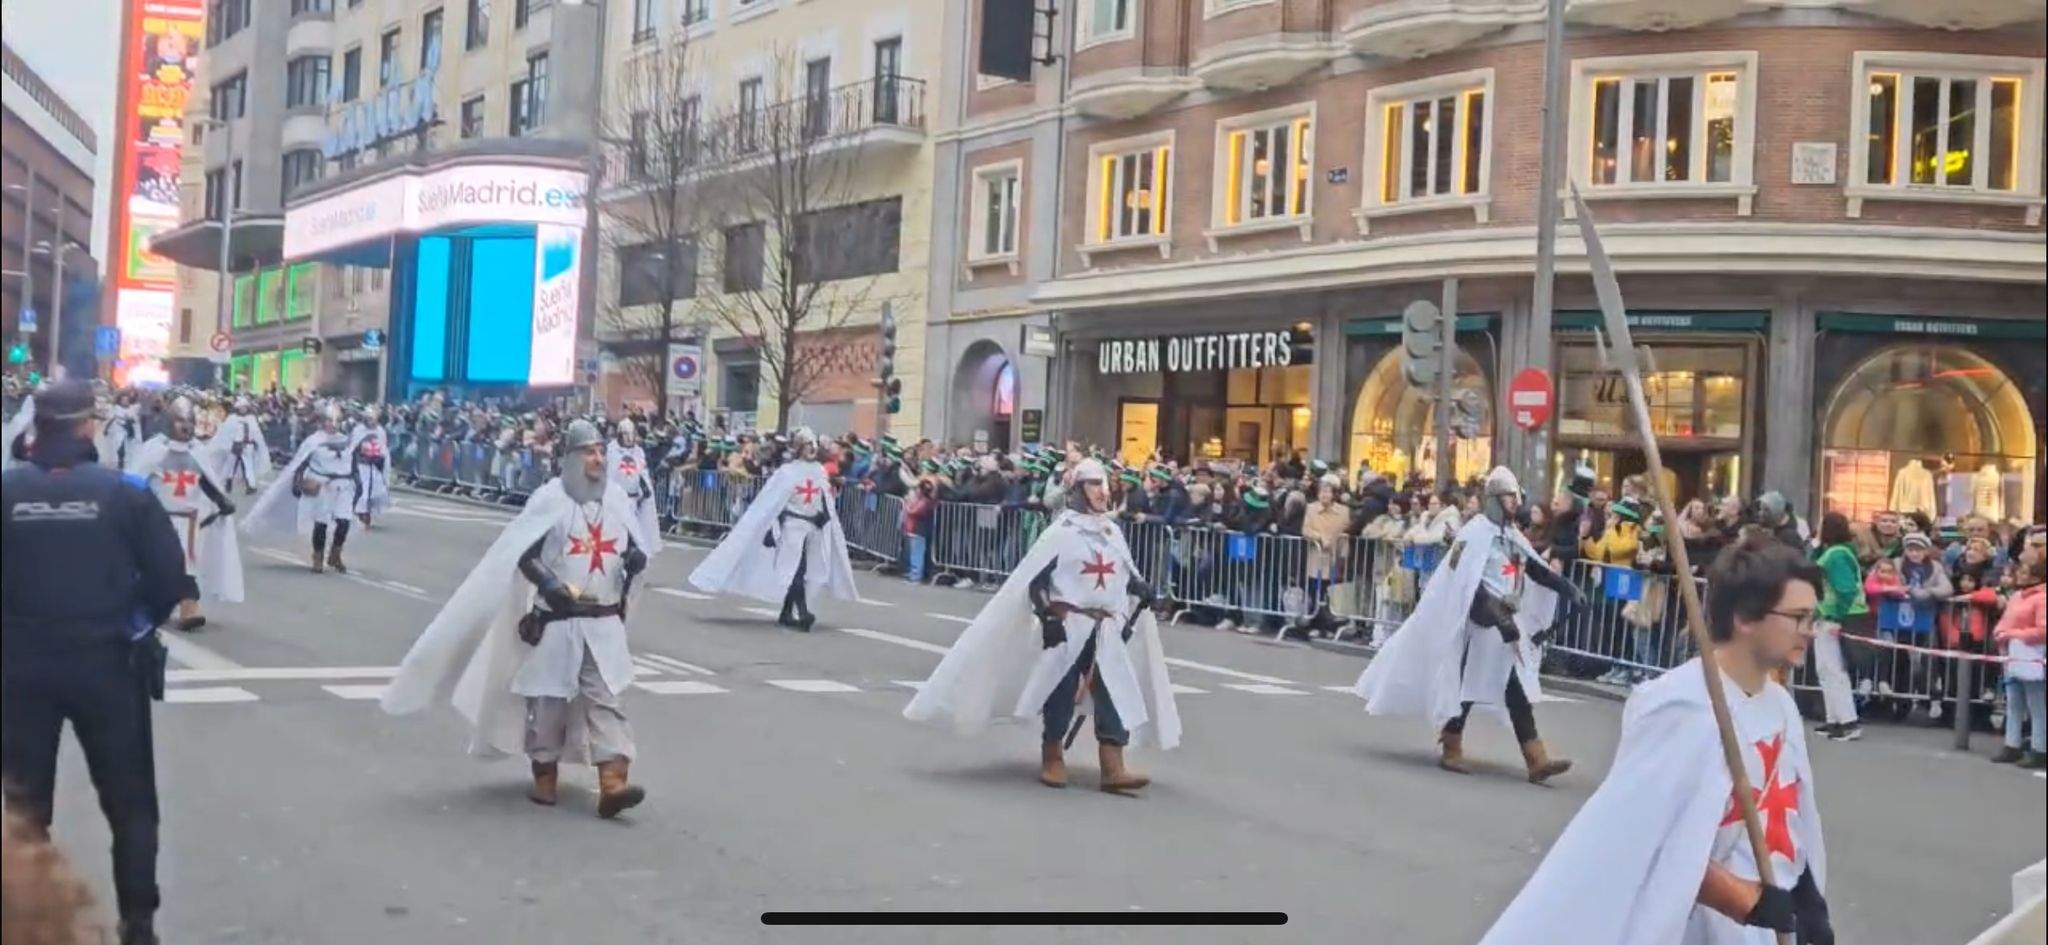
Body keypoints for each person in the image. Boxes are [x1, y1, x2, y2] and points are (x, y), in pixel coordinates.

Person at [1478, 535, 1834, 945]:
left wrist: (1808, 901)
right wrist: (1739, 896)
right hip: (1697, 927)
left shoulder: (1780, 704)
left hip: (1769, 928)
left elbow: (1791, 818)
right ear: (1746, 617)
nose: (1810, 631)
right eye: (1799, 617)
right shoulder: (1681, 705)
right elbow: (1638, 835)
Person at [380, 420, 655, 818]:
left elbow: (633, 546)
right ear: (570, 458)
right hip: (558, 620)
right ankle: (545, 776)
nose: (597, 459)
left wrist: (635, 558)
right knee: (548, 701)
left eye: (600, 451)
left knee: (606, 697)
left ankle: (613, 783)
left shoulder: (616, 499)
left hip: (602, 618)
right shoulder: (550, 499)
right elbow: (525, 555)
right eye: (588, 452)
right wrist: (548, 584)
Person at [2, 380, 188, 945]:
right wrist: (132, 626)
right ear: (87, 427)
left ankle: (26, 921)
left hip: (20, 668)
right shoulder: (125, 493)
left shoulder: (5, 492)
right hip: (108, 664)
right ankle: (138, 923)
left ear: (38, 427)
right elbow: (169, 580)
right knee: (131, 803)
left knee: (24, 806)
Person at [905, 457, 1179, 794]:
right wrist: (1048, 616)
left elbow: (1125, 572)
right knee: (1060, 690)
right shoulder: (1061, 532)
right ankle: (1053, 755)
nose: (1100, 492)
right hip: (1070, 622)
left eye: (1102, 484)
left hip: (1105, 627)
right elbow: (1035, 581)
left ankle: (1113, 765)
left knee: (1113, 690)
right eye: (1093, 485)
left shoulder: (1111, 532)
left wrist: (1140, 587)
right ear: (1076, 489)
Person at [1355, 467, 1587, 783]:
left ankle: (1537, 759)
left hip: (1504, 621)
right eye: (1508, 497)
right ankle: (1452, 744)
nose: (1513, 503)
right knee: (1463, 685)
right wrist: (1496, 616)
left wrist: (1567, 588)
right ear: (1493, 499)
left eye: (1514, 497)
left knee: (1513, 689)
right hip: (1475, 624)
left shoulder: (1513, 536)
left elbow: (1534, 569)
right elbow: (1465, 585)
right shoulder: (1473, 535)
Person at [689, 427, 859, 630]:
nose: (811, 449)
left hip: (813, 526)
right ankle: (803, 613)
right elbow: (771, 503)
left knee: (803, 570)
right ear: (798, 448)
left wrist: (824, 517)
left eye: (812, 444)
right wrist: (770, 526)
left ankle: (787, 613)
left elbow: (824, 498)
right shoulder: (787, 472)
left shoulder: (818, 471)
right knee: (795, 570)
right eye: (806, 445)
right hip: (792, 526)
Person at [127, 396, 244, 632]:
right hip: (160, 519)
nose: (186, 426)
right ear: (170, 422)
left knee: (187, 564)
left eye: (190, 421)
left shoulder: (197, 452)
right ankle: (149, 603)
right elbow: (134, 482)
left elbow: (206, 482)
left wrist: (221, 501)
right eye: (181, 420)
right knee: (158, 565)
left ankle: (190, 607)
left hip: (190, 520)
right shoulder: (154, 450)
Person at [243, 404, 359, 573]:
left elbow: (353, 463)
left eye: (336, 421)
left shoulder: (346, 441)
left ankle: (335, 553)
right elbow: (300, 463)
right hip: (322, 484)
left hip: (343, 485)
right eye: (328, 420)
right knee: (322, 523)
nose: (332, 424)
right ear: (322, 422)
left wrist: (358, 483)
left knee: (344, 521)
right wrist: (297, 481)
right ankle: (318, 557)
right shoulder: (314, 441)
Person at [1810, 512, 1866, 742]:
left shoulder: (1836, 555)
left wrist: (1837, 617)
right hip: (1828, 614)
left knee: (1833, 669)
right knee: (1826, 668)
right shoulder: (1835, 552)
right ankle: (1834, 719)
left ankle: (1848, 721)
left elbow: (1845, 589)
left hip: (1835, 615)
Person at [1990, 557, 2046, 768]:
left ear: (2037, 576)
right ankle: (2011, 744)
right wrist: (1999, 633)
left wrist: (2012, 634)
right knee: (2013, 701)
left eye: (2023, 573)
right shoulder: (2016, 596)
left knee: (2036, 704)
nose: (2018, 576)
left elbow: (2043, 631)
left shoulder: (2042, 598)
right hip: (2013, 652)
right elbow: (2005, 620)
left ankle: (2040, 748)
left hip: (2033, 654)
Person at [605, 418, 663, 551]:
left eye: (631, 434)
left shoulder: (638, 452)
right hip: (615, 500)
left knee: (633, 532)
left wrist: (645, 488)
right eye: (625, 434)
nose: (629, 438)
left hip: (633, 499)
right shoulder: (611, 451)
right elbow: (609, 473)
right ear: (620, 434)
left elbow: (642, 472)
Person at [209, 396, 271, 494]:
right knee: (230, 464)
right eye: (241, 407)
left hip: (247, 445)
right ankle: (227, 482)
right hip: (235, 445)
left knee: (248, 465)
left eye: (244, 407)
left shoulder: (251, 419)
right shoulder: (232, 418)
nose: (243, 409)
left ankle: (251, 485)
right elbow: (225, 432)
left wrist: (258, 443)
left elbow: (256, 433)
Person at [349, 406, 392, 527]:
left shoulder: (380, 431)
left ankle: (368, 512)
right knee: (362, 489)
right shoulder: (358, 430)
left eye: (373, 419)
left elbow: (383, 447)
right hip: (361, 465)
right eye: (369, 419)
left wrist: (381, 459)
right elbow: (352, 447)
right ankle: (361, 513)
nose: (371, 422)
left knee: (376, 490)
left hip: (374, 465)